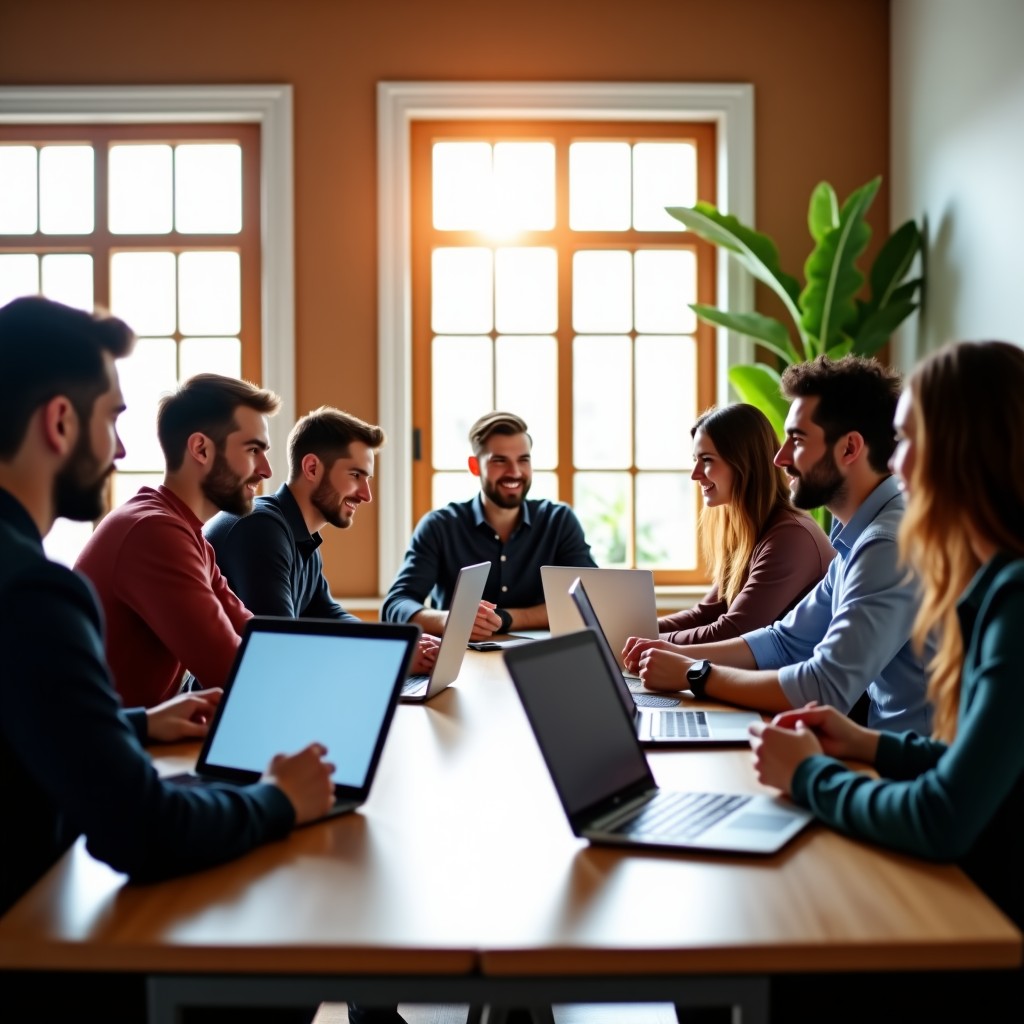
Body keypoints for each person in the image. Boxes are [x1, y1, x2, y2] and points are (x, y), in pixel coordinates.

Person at [0, 296, 335, 1020]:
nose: (121, 449)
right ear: (60, 423)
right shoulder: (33, 592)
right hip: (34, 937)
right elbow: (139, 828)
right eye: (111, 419)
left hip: (48, 876)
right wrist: (279, 800)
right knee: (289, 968)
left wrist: (138, 724)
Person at [750, 339, 1024, 1017]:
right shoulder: (998, 583)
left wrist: (808, 775)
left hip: (995, 920)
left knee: (779, 952)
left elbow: (943, 816)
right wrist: (867, 746)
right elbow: (975, 760)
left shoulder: (1016, 600)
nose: (894, 464)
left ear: (958, 452)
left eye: (904, 440)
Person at [623, 354, 931, 735]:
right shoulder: (859, 539)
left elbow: (825, 686)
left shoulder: (885, 544)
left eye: (797, 440)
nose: (780, 458)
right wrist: (674, 653)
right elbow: (784, 641)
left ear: (850, 448)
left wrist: (693, 672)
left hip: (916, 772)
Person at [75, 372, 280, 708]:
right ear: (200, 448)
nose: (267, 470)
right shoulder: (153, 532)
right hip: (95, 753)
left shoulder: (187, 534)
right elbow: (231, 670)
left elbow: (255, 635)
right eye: (253, 450)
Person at [205, 406, 440, 678]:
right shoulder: (260, 528)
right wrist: (390, 657)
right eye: (355, 475)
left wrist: (399, 642)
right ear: (312, 467)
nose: (366, 495)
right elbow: (282, 647)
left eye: (368, 479)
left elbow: (328, 614)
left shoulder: (300, 537)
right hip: (222, 708)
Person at [382, 410, 597, 641]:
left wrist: (504, 618)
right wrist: (451, 620)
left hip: (541, 659)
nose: (514, 472)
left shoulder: (559, 520)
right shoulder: (439, 526)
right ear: (475, 466)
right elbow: (395, 605)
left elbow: (591, 600)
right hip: (461, 664)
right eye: (499, 460)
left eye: (523, 460)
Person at [658, 403, 835, 644]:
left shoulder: (791, 536)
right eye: (695, 460)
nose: (695, 473)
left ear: (745, 463)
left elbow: (733, 631)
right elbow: (706, 613)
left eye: (707, 460)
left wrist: (647, 643)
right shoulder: (750, 528)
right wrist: (632, 633)